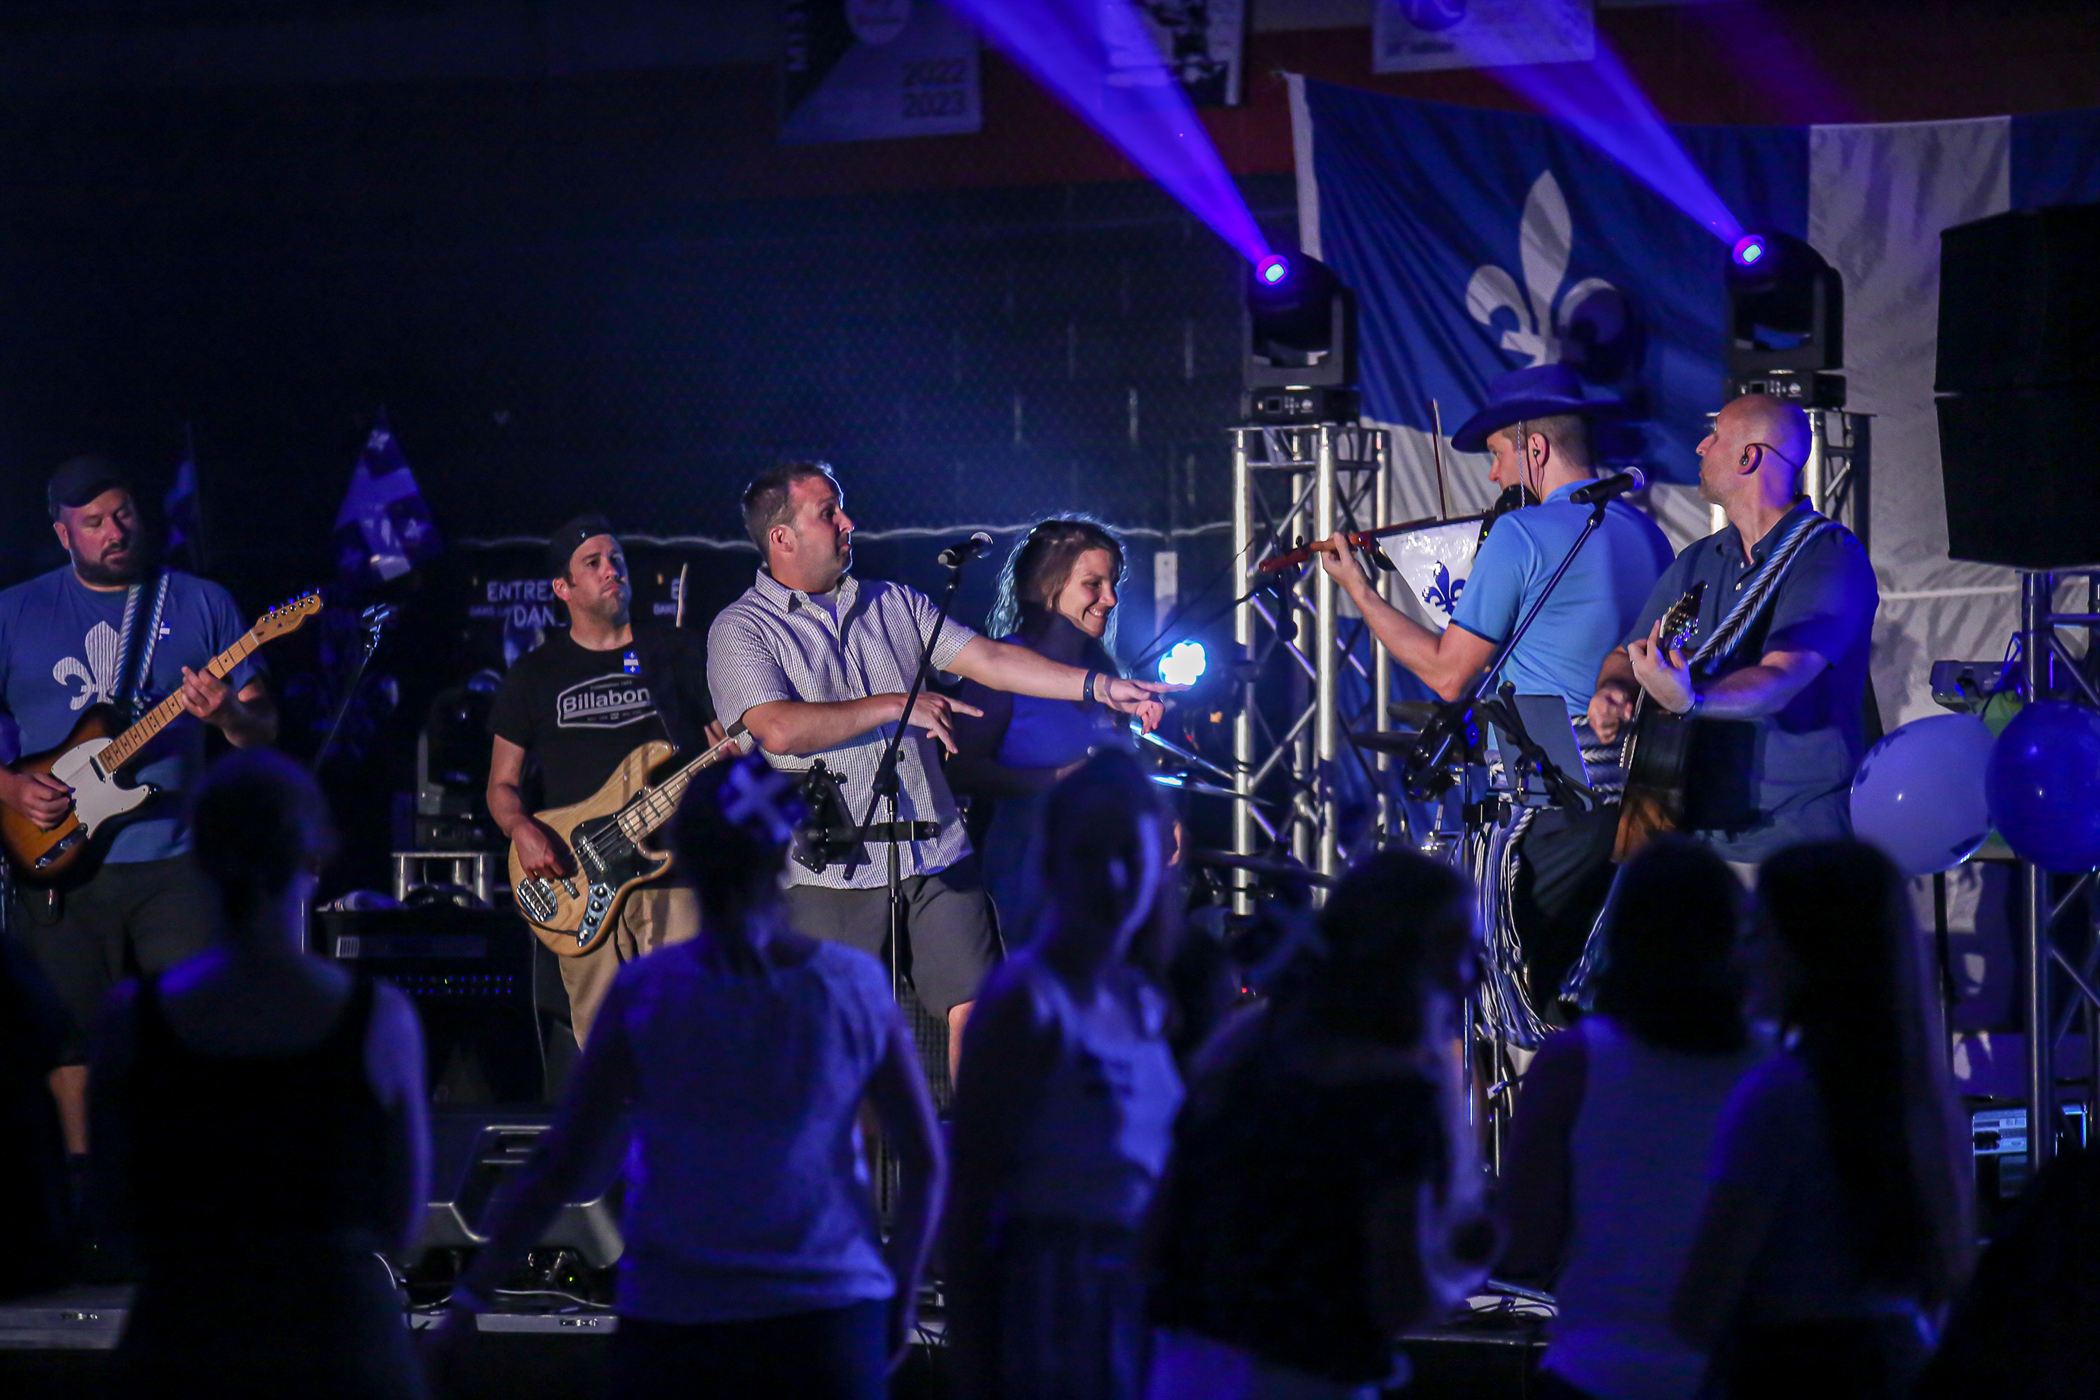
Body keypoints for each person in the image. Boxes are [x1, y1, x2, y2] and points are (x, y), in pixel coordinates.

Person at [439, 755, 945, 1400]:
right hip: (824, 1309)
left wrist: (471, 1296)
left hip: (681, 1311)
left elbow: (563, 1160)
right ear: (782, 853)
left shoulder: (650, 992)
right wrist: (898, 1294)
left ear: (688, 856)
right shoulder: (850, 986)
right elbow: (925, 1160)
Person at [707, 461, 1172, 1076]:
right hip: (830, 867)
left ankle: (977, 1135)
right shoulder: (741, 629)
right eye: (829, 513)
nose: (848, 523)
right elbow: (778, 727)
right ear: (781, 538)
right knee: (843, 1043)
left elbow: (992, 660)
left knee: (980, 1012)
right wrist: (897, 704)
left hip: (936, 852)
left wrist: (1102, 687)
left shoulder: (894, 603)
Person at [1314, 365, 1671, 1042]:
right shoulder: (1644, 532)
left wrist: (1360, 592)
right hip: (1639, 800)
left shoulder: (1521, 535)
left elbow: (1449, 675)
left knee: (1527, 996)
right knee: (1607, 995)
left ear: (1535, 447)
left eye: (1499, 454)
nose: (1493, 475)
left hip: (1553, 794)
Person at [89, 750, 429, 1398]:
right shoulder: (378, 1017)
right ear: (315, 853)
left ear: (200, 854)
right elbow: (403, 1220)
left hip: (185, 1334)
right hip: (340, 1340)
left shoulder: (131, 1017)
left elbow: (112, 1212)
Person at [0, 456, 278, 1160]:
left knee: (192, 1030)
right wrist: (8, 788)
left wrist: (226, 717)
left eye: (123, 514)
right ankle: (83, 1189)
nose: (114, 531)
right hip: (56, 863)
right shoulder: (15, 611)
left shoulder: (201, 603)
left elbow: (262, 729)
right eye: (93, 522)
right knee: (70, 1042)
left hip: (174, 861)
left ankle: (188, 1183)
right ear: (63, 534)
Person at [1145, 851, 1498, 1400]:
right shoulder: (1393, 1094)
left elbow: (1157, 1235)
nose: (1472, 976)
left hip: (1185, 1368)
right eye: (1457, 950)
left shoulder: (1242, 1052)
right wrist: (1470, 1260)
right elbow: (1398, 1298)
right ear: (1403, 956)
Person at [1671, 841, 1973, 1396]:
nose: (1744, 953)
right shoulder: (1925, 1100)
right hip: (1902, 1366)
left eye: (1760, 931)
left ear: (1808, 950)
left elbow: (1699, 1306)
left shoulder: (1778, 1097)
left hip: (1790, 1372)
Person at [945, 751, 1184, 1400]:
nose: (1115, 876)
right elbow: (970, 1203)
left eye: (1130, 854)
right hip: (1051, 1308)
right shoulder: (1025, 1002)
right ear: (1057, 860)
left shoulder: (1144, 1001)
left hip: (1135, 1305)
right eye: (1094, 853)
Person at [1497, 838, 1766, 1400]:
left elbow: (1524, 1241)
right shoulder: (1776, 1066)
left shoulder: (1574, 1062)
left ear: (1621, 936)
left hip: (1597, 1369)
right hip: (1731, 1371)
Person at [1588, 393, 1879, 875]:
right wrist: (1613, 689)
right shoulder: (1698, 560)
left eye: (1716, 436)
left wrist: (1690, 698)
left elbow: (1781, 677)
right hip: (1694, 837)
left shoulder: (1829, 556)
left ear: (1749, 458)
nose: (1701, 447)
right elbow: (1627, 654)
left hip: (1799, 843)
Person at [486, 512, 724, 1044]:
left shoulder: (674, 652)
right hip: (577, 881)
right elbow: (501, 785)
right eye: (592, 563)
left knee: (687, 1039)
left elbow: (721, 739)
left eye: (615, 558)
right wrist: (521, 829)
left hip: (673, 876)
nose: (610, 569)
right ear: (562, 587)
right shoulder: (533, 674)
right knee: (605, 1051)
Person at [948, 517, 1133, 933]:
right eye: (1093, 584)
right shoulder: (1001, 668)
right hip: (1028, 881)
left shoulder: (1105, 674)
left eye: (1113, 583)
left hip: (1100, 879)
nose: (1110, 599)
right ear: (1047, 586)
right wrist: (1061, 779)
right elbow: (960, 770)